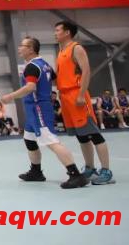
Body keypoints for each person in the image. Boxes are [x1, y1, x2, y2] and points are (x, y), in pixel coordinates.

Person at [1, 36, 88, 189]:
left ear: (31, 49)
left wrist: (10, 96)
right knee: (29, 139)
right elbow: (53, 80)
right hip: (34, 108)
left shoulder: (32, 67)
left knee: (51, 141)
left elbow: (30, 87)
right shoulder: (44, 64)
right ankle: (36, 172)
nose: (19, 48)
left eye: (23, 46)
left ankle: (75, 175)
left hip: (38, 108)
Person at [55, 21, 113, 185]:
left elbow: (86, 71)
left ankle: (106, 171)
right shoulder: (61, 51)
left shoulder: (76, 48)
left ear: (67, 32)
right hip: (65, 97)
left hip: (77, 94)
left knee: (94, 134)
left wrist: (81, 94)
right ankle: (90, 168)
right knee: (81, 136)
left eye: (58, 30)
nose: (55, 33)